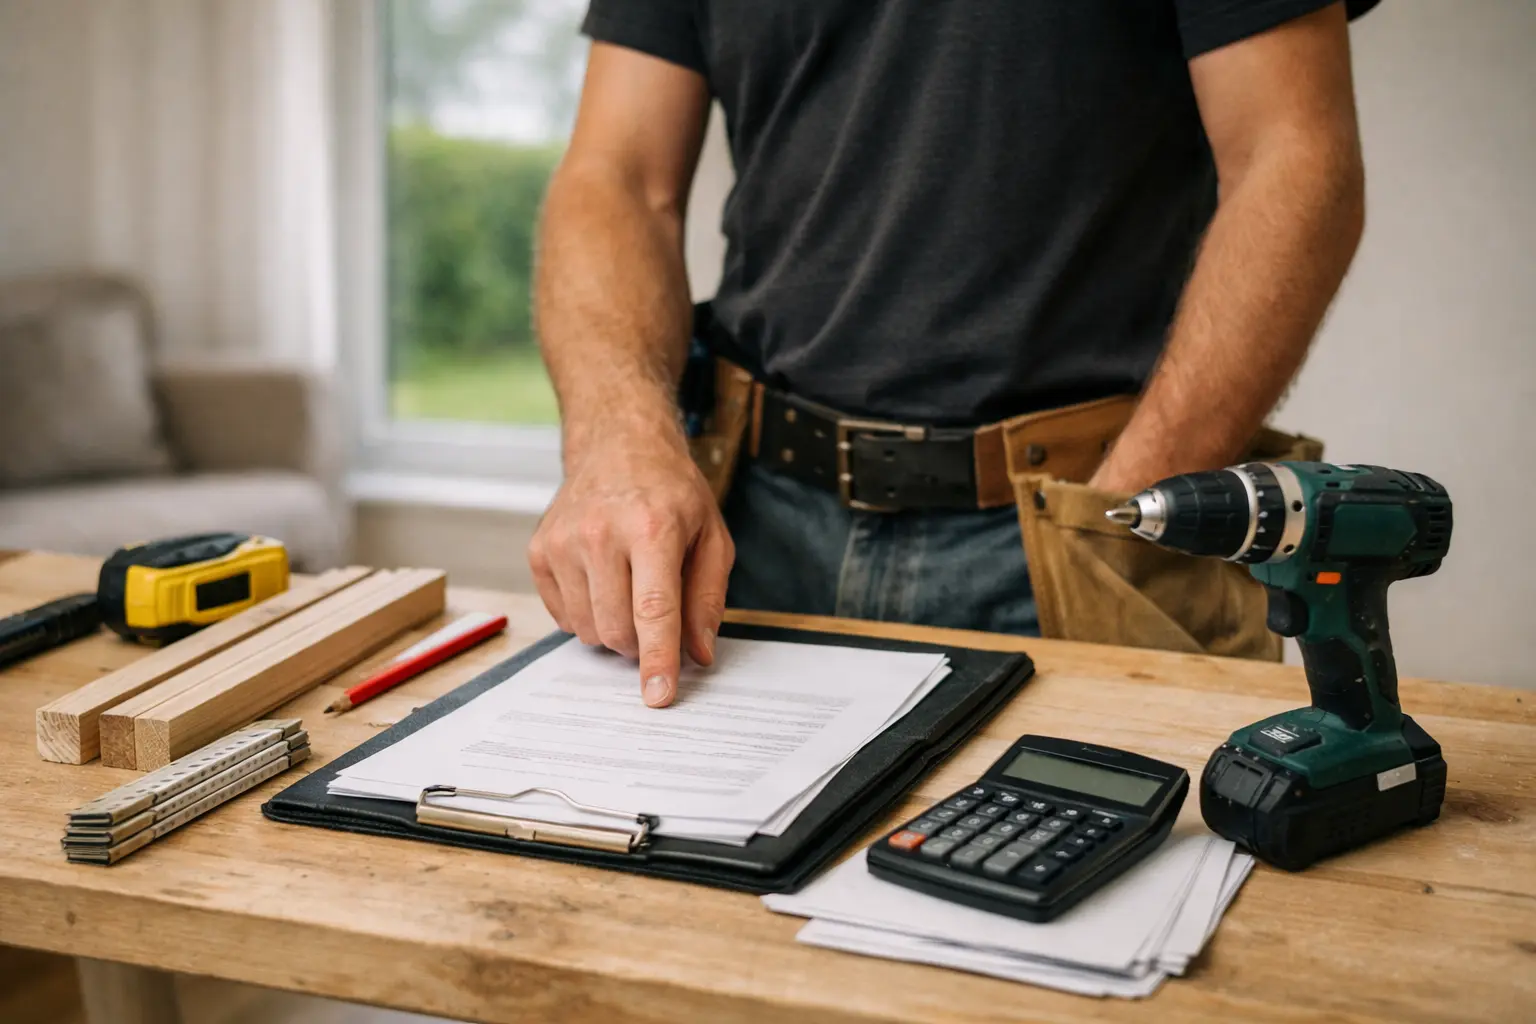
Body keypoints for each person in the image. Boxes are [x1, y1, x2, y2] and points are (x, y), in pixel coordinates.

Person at [529, 1, 1375, 707]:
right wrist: (619, 441)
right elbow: (618, 177)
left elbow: (1291, 156)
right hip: (745, 527)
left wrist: (1123, 514)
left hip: (1075, 535)